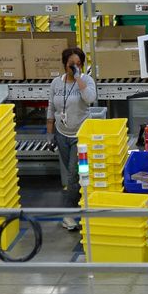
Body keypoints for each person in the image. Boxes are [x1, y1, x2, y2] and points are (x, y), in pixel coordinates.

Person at [46, 47, 97, 231]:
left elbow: (90, 98)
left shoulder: (86, 80)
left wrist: (78, 78)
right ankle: (81, 203)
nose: (75, 68)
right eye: (71, 65)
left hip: (81, 135)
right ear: (64, 65)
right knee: (72, 174)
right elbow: (51, 107)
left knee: (73, 175)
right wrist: (50, 133)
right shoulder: (56, 84)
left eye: (79, 65)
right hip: (62, 134)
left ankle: (68, 214)